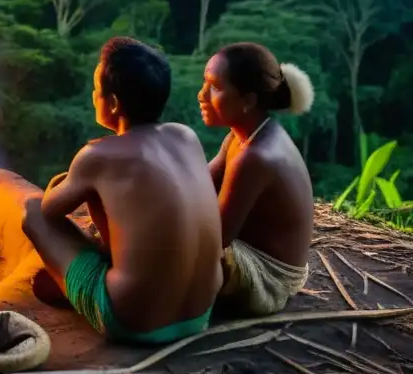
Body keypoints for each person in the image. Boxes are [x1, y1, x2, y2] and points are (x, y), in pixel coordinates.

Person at [22, 37, 223, 345]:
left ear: (113, 103)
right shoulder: (186, 136)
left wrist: (56, 186)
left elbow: (48, 211)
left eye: (97, 89)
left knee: (32, 213)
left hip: (133, 323)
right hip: (200, 315)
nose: (93, 95)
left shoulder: (97, 155)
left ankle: (90, 288)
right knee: (101, 199)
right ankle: (111, 269)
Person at [199, 42, 315, 316]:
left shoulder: (255, 157)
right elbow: (200, 183)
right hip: (249, 251)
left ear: (247, 101)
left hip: (269, 278)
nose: (201, 95)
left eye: (214, 87)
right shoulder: (241, 136)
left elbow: (217, 237)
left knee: (168, 246)